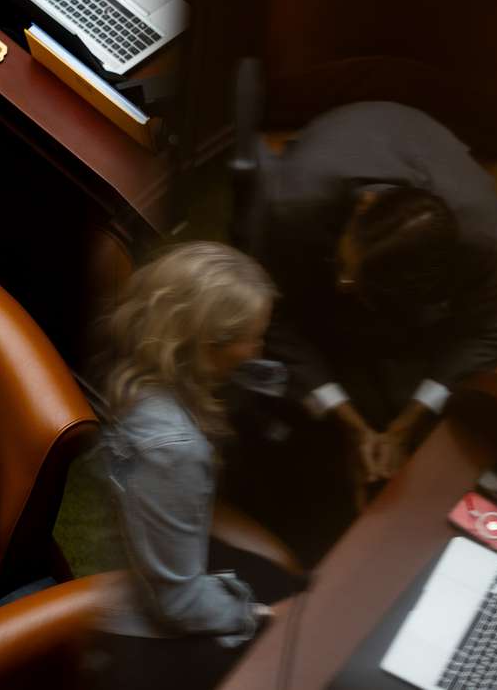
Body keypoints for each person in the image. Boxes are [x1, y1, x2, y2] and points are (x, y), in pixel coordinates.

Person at [242, 101, 497, 548]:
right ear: (363, 208)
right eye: (346, 267)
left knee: (456, 426)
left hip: (413, 317)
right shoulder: (290, 203)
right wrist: (347, 418)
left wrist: (406, 423)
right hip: (311, 238)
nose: (341, 280)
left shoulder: (483, 237)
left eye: (355, 282)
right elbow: (269, 314)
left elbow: (493, 331)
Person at [91, 242, 301, 690]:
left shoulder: (143, 348)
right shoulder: (173, 449)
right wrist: (258, 616)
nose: (258, 348)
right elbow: (178, 600)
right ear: (208, 345)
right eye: (253, 337)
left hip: (165, 545)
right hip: (147, 630)